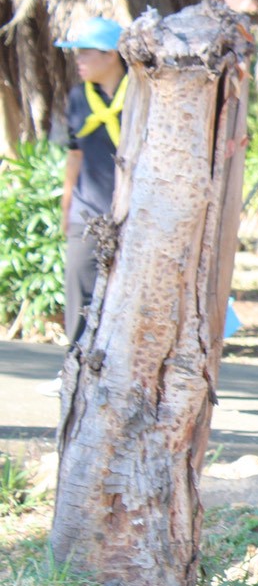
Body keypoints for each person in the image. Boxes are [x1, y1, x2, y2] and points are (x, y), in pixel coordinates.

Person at [58, 18, 127, 348]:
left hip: (132, 211)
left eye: (85, 52)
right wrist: (66, 207)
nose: (78, 59)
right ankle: (74, 361)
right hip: (86, 212)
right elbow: (75, 155)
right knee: (79, 286)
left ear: (111, 54)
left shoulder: (142, 94)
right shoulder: (78, 98)